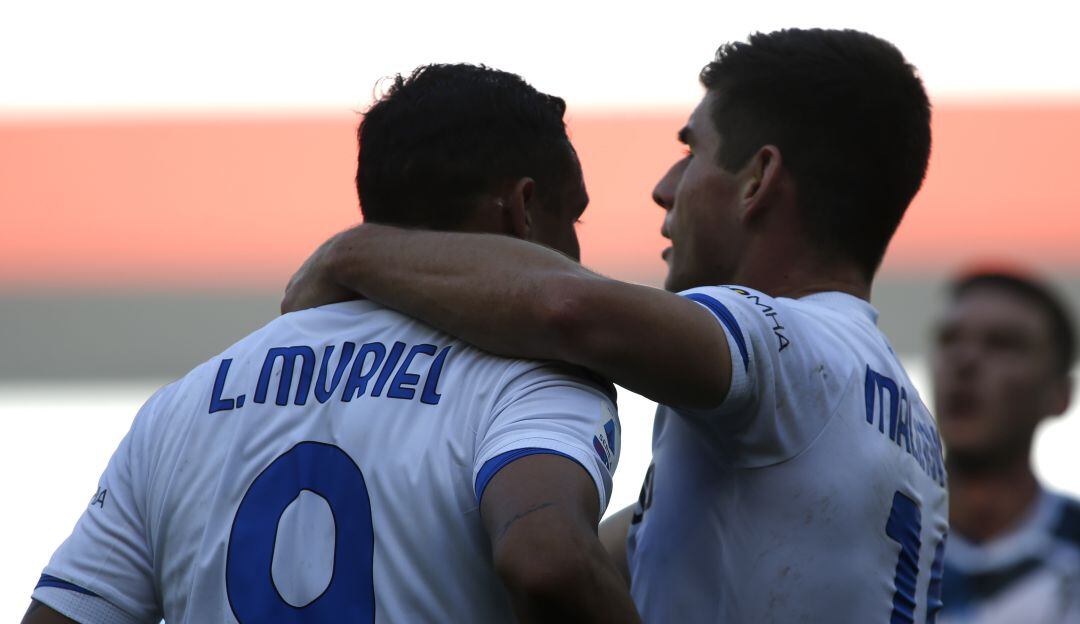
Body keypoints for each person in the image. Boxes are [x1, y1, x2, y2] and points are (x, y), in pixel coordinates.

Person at [284, 28, 949, 622]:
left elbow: (568, 310)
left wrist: (352, 252)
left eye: (691, 151)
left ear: (758, 181)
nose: (665, 187)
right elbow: (618, 553)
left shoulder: (790, 345)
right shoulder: (900, 418)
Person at [22, 64, 640, 624]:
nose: (577, 249)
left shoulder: (180, 407)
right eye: (574, 217)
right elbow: (549, 563)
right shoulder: (534, 378)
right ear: (522, 210)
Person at [933, 270, 1079, 623]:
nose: (965, 360)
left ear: (1060, 395)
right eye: (950, 340)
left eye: (1002, 344)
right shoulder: (865, 536)